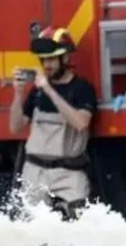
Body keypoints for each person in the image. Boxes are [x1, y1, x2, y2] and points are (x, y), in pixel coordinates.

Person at [8, 26, 98, 220]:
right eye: (43, 59)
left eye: (51, 59)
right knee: (32, 232)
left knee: (77, 226)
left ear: (65, 58)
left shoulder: (81, 89)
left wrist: (50, 91)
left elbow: (81, 123)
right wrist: (18, 93)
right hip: (35, 171)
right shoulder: (37, 91)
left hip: (69, 173)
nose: (46, 65)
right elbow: (15, 126)